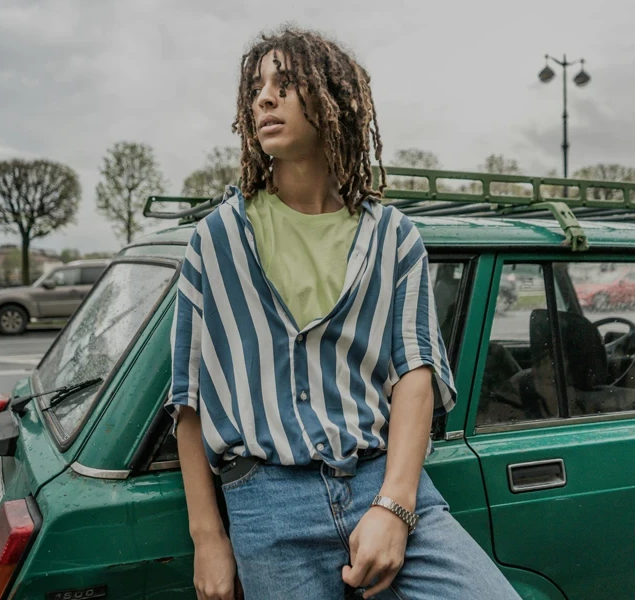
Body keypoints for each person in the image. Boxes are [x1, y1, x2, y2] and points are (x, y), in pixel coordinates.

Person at [167, 26, 521, 600]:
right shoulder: (217, 240)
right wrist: (208, 538)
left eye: (286, 83)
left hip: (385, 480)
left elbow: (415, 374)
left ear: (337, 101)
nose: (263, 98)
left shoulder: (394, 237)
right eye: (256, 88)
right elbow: (187, 400)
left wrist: (394, 506)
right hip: (267, 502)